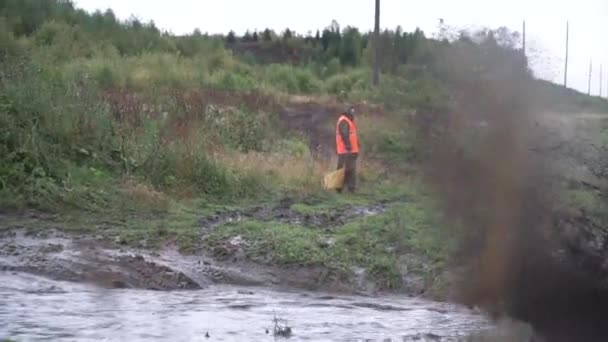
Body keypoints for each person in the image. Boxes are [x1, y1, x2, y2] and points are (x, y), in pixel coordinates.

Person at [336, 106, 359, 193]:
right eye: (351, 111)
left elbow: (351, 135)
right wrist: (348, 146)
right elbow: (344, 134)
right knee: (345, 170)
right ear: (347, 112)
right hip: (346, 150)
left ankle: (349, 189)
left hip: (349, 150)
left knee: (350, 169)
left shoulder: (348, 121)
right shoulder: (344, 121)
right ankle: (340, 188)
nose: (353, 113)